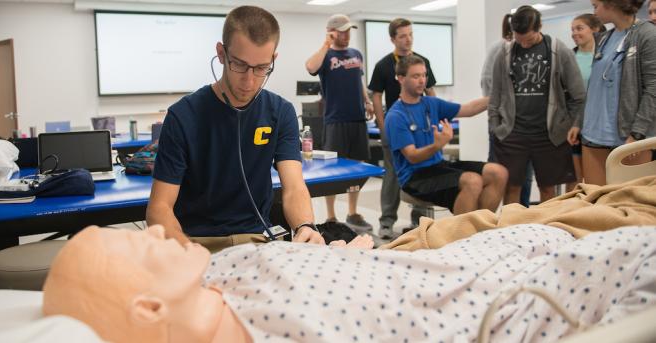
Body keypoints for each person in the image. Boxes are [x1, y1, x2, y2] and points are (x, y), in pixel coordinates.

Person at [41, 224, 656, 342]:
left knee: (544, 225)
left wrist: (331, 249)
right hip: (485, 299)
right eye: (139, 246)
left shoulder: (217, 271)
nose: (153, 232)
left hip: (427, 260)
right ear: (149, 307)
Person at [147, 6, 324, 252]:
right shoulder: (182, 116)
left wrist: (306, 226)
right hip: (195, 242)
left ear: (273, 59)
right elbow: (159, 209)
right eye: (239, 65)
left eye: (261, 68)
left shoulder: (280, 112)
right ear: (221, 53)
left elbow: (294, 187)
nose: (249, 81)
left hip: (256, 241)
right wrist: (190, 254)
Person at [385, 55, 508, 215]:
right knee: (472, 181)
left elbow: (469, 109)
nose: (422, 81)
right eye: (416, 76)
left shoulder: (431, 103)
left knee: (498, 173)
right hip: (415, 178)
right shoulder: (396, 116)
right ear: (401, 79)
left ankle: (480, 229)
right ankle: (463, 235)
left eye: (424, 75)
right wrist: (437, 145)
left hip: (438, 166)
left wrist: (499, 95)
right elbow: (412, 156)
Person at [489, 5, 586, 205]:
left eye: (529, 40)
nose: (524, 45)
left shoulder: (559, 51)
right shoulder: (504, 54)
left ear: (540, 26)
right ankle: (511, 231)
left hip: (549, 134)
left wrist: (574, 124)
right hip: (513, 133)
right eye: (519, 40)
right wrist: (495, 128)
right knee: (512, 187)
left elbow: (579, 96)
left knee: (548, 188)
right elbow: (495, 96)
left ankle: (547, 231)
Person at [567, 0, 656, 185]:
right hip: (592, 134)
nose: (594, 11)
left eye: (596, 5)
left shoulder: (647, 34)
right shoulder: (604, 38)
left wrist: (637, 134)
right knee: (596, 201)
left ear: (611, 4)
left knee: (629, 204)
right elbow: (595, 87)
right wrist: (579, 122)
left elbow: (653, 89)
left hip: (628, 138)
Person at [368, 18, 437, 238]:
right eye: (402, 35)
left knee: (422, 172)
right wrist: (382, 126)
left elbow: (431, 92)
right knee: (392, 175)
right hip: (396, 128)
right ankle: (387, 222)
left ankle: (421, 221)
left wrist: (433, 121)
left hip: (421, 131)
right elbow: (376, 97)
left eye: (410, 34)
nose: (408, 39)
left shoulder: (422, 61)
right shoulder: (383, 65)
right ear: (393, 39)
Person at [305, 14, 375, 232]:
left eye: (348, 31)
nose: (346, 35)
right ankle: (331, 216)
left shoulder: (356, 54)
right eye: (342, 31)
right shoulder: (326, 55)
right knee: (332, 170)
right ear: (332, 32)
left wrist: (367, 100)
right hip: (335, 120)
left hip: (357, 119)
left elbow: (359, 80)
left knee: (357, 168)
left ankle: (353, 213)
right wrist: (326, 43)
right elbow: (309, 67)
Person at [482, 13, 535, 208]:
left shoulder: (535, 51)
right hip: (503, 124)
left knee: (524, 177)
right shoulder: (500, 48)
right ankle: (492, 218)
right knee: (498, 172)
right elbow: (487, 81)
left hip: (527, 124)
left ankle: (521, 214)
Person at [568, 13, 607, 190]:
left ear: (595, 29)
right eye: (572, 30)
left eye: (579, 28)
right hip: (574, 124)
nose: (574, 33)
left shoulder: (605, 56)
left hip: (600, 121)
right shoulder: (569, 57)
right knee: (577, 179)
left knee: (602, 178)